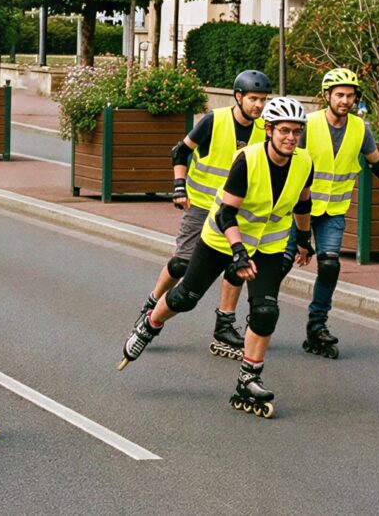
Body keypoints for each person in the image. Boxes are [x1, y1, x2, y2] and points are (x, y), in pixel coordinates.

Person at [120, 97, 316, 420]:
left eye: (297, 132)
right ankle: (150, 323)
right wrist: (237, 252)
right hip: (222, 237)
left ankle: (248, 379)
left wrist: (305, 239)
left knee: (266, 311)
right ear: (269, 130)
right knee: (186, 297)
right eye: (284, 131)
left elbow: (303, 203)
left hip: (268, 243)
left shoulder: (304, 162)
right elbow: (227, 214)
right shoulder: (247, 161)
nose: (291, 138)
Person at [283, 68, 379, 358]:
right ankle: (258, 319)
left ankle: (316, 326)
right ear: (326, 96)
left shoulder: (360, 128)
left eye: (351, 95)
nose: (346, 100)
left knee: (330, 266)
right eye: (340, 94)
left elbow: (378, 164)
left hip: (333, 210)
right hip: (298, 210)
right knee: (280, 265)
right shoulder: (307, 126)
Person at [136, 70, 270, 360]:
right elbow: (179, 152)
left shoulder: (264, 130)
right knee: (183, 263)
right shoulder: (215, 120)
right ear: (239, 97)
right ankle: (152, 303)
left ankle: (225, 323)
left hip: (235, 211)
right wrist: (179, 186)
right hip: (201, 204)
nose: (258, 106)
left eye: (263, 100)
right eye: (253, 99)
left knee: (238, 265)